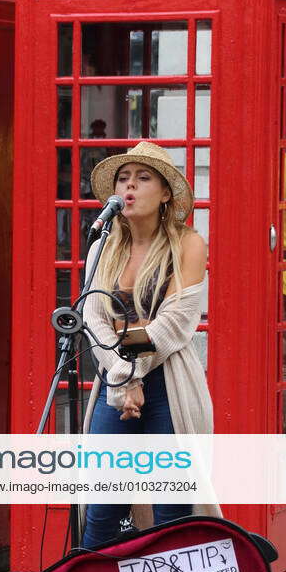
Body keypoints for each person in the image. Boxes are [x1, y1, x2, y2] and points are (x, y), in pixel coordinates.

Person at [81, 141, 214, 548]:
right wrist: (122, 379)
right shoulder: (103, 246)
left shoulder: (187, 243)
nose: (130, 188)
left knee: (170, 511)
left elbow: (175, 323)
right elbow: (93, 317)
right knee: (102, 505)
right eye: (124, 179)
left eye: (143, 178)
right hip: (117, 386)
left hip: (169, 386)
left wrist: (133, 374)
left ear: (166, 192)